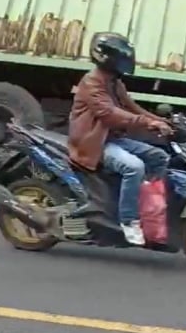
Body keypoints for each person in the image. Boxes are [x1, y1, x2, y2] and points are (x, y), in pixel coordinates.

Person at [68, 32, 173, 245]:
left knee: (159, 156)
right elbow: (109, 113)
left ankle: (147, 207)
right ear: (106, 58)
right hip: (95, 143)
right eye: (122, 57)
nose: (126, 61)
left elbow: (132, 108)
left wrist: (163, 122)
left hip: (112, 138)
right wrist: (148, 123)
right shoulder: (92, 82)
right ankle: (128, 220)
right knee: (133, 167)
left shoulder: (115, 83)